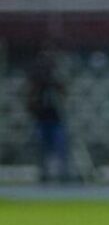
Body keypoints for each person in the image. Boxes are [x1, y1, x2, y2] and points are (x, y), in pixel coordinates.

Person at [26, 51, 70, 182]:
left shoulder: (56, 81)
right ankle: (43, 173)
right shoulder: (37, 84)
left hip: (56, 119)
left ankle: (63, 172)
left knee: (60, 146)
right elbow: (30, 98)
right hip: (42, 119)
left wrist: (56, 83)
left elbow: (64, 93)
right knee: (42, 148)